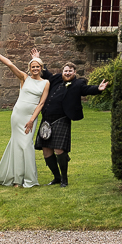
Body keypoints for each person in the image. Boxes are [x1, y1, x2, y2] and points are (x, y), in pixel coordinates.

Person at [30, 56, 108, 188]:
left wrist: (98, 89)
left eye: (70, 71)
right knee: (46, 151)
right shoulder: (55, 79)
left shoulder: (78, 84)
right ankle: (56, 177)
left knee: (59, 150)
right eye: (66, 71)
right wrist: (37, 59)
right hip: (46, 119)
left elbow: (87, 89)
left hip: (61, 119)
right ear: (62, 71)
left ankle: (64, 180)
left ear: (74, 73)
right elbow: (45, 71)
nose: (67, 73)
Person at [0, 47, 48, 188]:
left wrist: (32, 120)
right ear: (29, 68)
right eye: (33, 67)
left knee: (26, 145)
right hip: (18, 115)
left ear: (41, 68)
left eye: (37, 66)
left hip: (30, 117)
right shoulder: (24, 78)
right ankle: (16, 180)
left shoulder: (46, 83)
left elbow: (42, 103)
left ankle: (30, 179)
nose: (35, 69)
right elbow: (10, 64)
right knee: (17, 145)